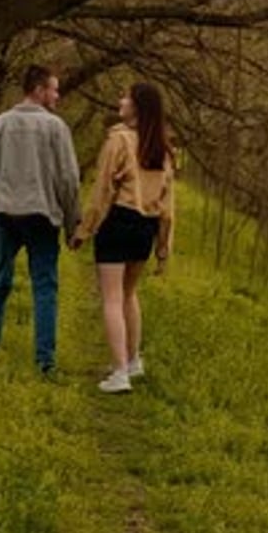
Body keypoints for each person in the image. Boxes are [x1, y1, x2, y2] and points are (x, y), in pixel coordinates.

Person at [0, 64, 81, 374]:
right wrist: (73, 224)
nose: (57, 96)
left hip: (7, 213)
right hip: (42, 215)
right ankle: (44, 360)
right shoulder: (56, 128)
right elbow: (69, 180)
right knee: (45, 285)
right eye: (54, 89)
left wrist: (4, 187)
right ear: (38, 90)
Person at [71, 82, 174, 394]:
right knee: (129, 294)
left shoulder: (119, 141)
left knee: (112, 298)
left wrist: (84, 230)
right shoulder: (163, 148)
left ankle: (119, 374)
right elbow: (169, 205)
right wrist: (163, 246)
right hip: (147, 226)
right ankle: (132, 361)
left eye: (126, 96)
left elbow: (102, 191)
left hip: (119, 221)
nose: (121, 100)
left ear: (137, 106)